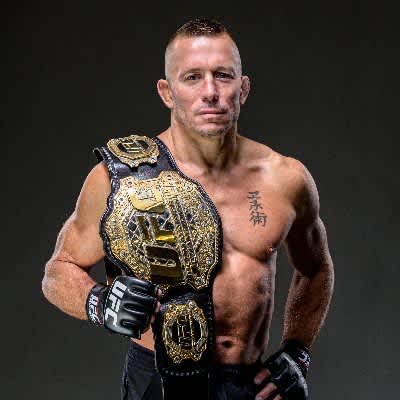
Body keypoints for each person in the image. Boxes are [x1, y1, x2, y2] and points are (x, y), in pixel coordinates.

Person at [42, 18, 334, 400]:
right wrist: (99, 303)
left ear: (243, 88)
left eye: (223, 76)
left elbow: (316, 268)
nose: (210, 92)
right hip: (158, 382)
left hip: (249, 385)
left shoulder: (286, 179)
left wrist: (298, 351)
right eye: (192, 77)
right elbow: (58, 271)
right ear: (167, 92)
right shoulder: (122, 179)